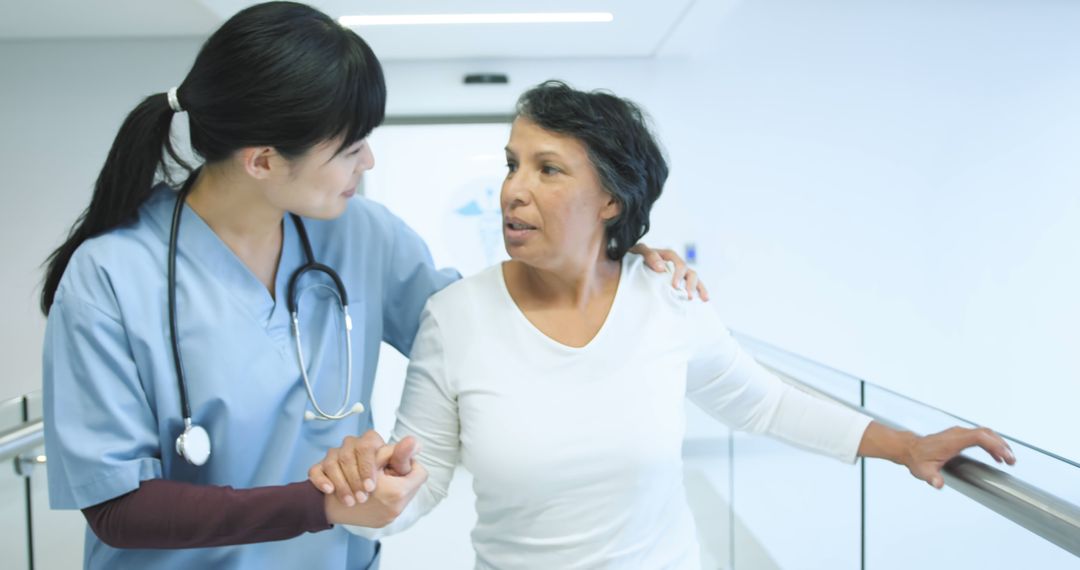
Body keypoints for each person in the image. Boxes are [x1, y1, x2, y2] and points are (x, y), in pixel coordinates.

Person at [38, 4, 700, 569]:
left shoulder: (363, 236)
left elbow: (488, 337)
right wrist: (315, 504)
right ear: (263, 160)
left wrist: (603, 264)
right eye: (350, 147)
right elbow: (116, 507)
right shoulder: (110, 278)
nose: (369, 160)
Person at [309, 81, 1018, 569]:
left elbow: (764, 403)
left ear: (612, 201)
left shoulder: (665, 297)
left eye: (548, 169)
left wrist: (908, 446)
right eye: (511, 164)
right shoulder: (455, 317)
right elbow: (418, 487)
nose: (513, 189)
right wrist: (358, 497)